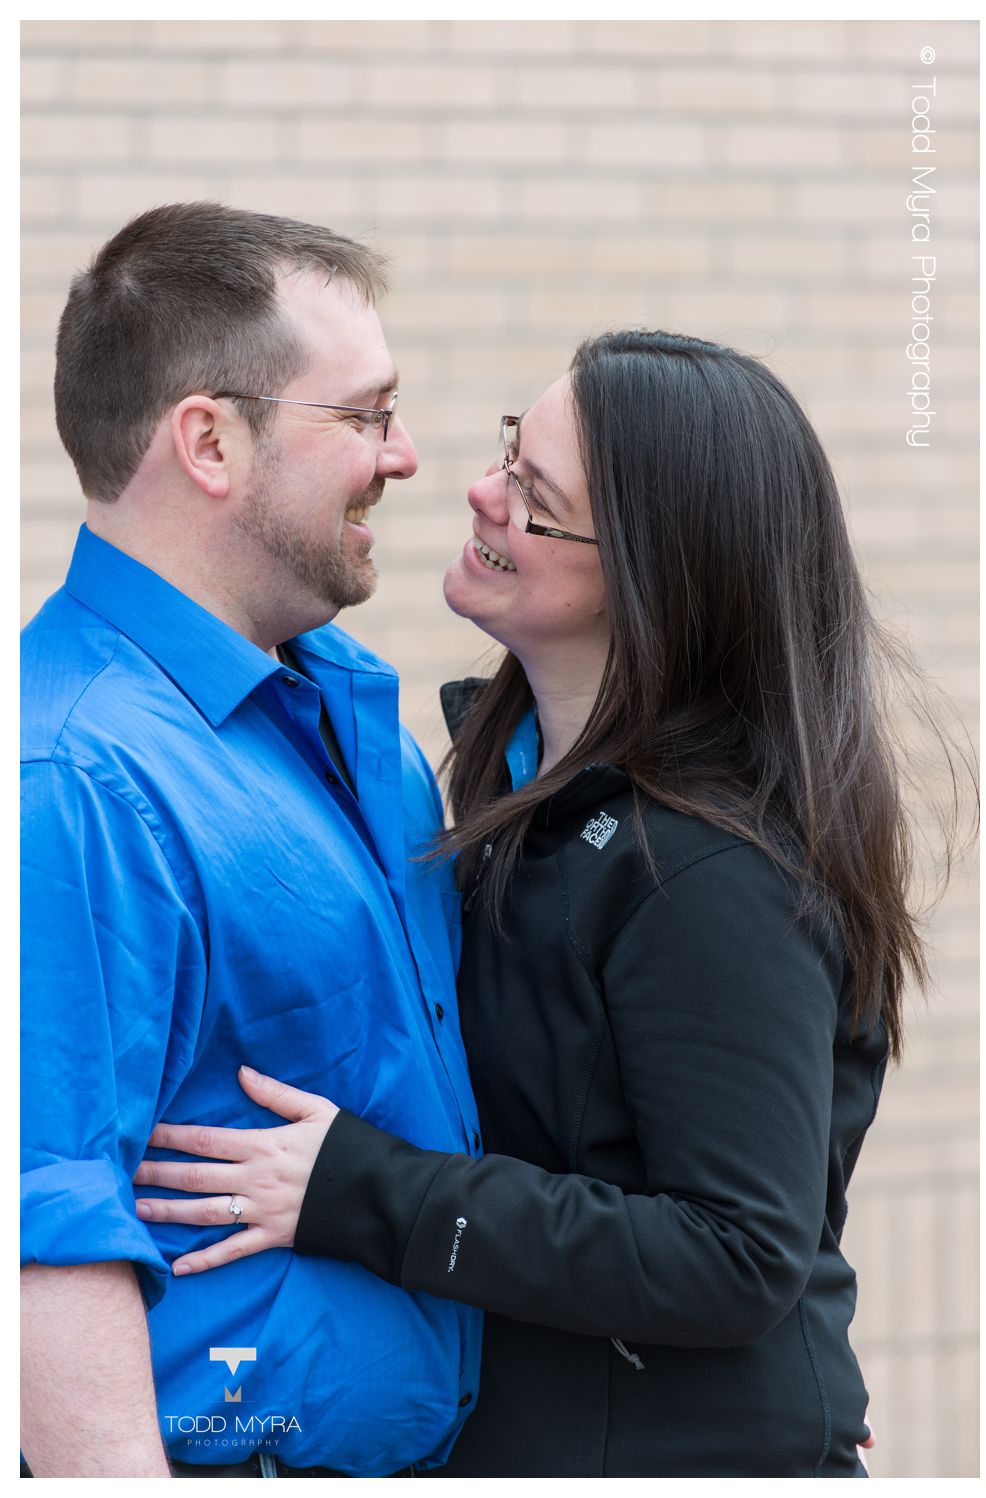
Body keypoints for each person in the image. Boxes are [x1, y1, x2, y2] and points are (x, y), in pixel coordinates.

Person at [130, 330, 959, 1477]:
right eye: (510, 452)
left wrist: (363, 1190)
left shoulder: (708, 873)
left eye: (536, 499)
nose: (481, 491)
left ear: (650, 578)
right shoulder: (516, 789)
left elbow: (738, 1252)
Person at [20, 202, 484, 1478]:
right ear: (211, 441)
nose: (401, 456)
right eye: (366, 415)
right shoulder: (70, 778)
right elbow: (41, 1236)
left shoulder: (350, 715)